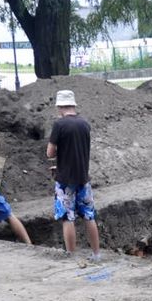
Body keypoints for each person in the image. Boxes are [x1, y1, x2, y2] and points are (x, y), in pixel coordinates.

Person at [47, 90, 100, 257]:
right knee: (89, 216)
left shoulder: (59, 125)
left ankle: (71, 255)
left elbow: (50, 153)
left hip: (65, 181)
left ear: (59, 106)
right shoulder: (85, 124)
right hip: (83, 178)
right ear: (73, 104)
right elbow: (76, 151)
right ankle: (96, 254)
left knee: (67, 217)